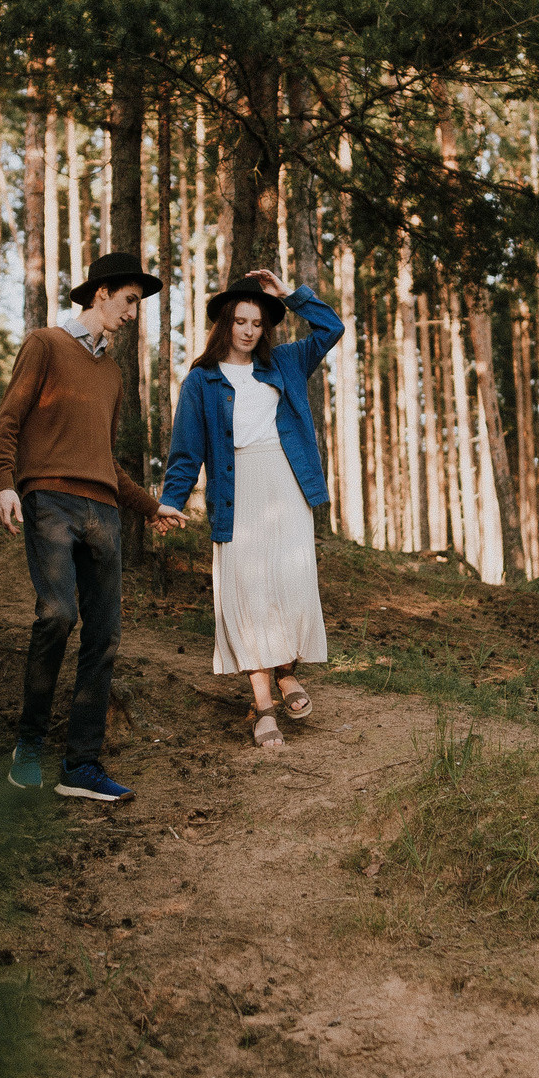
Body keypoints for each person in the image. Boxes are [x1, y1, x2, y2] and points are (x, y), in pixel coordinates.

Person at [0, 250, 171, 801]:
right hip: (50, 502)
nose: (135, 313)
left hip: (104, 514)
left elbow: (106, 458)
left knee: (105, 634)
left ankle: (81, 766)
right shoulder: (45, 345)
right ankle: (28, 744)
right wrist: (3, 482)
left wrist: (148, 506)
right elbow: (9, 421)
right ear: (101, 294)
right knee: (57, 614)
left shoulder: (112, 373)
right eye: (131, 301)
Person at [156, 268, 346, 750]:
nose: (248, 330)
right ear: (224, 323)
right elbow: (186, 450)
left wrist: (291, 295)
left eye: (257, 323)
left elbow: (332, 329)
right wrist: (170, 501)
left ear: (266, 328)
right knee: (247, 592)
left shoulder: (286, 362)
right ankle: (263, 707)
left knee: (290, 586)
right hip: (234, 491)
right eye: (240, 321)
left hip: (286, 485)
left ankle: (287, 674)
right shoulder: (201, 380)